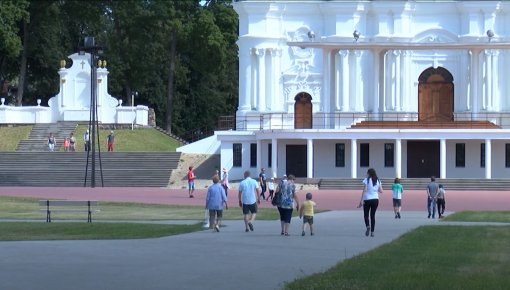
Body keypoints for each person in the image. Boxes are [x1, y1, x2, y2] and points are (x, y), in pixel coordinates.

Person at [358, 168, 383, 237]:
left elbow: (365, 190)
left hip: (367, 199)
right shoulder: (378, 180)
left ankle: (368, 226)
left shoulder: (367, 179)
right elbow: (381, 191)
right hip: (375, 199)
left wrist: (361, 200)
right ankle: (372, 232)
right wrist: (376, 189)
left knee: (366, 215)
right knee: (373, 216)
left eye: (367, 173)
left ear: (369, 173)